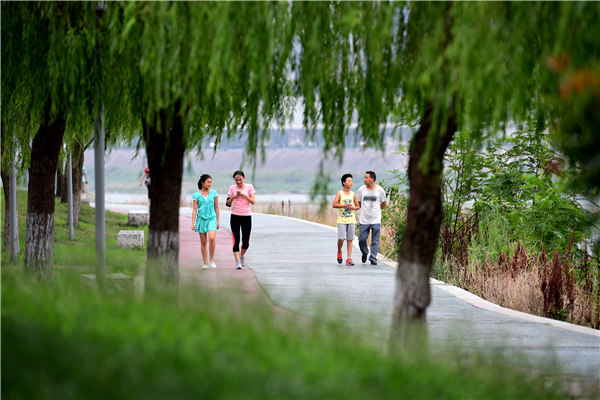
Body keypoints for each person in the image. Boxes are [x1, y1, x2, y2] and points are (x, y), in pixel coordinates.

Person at [225, 170, 255, 270]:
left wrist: (244, 195)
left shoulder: (249, 187)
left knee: (245, 241)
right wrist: (234, 196)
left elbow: (253, 201)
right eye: (236, 180)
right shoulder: (232, 188)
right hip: (235, 216)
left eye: (240, 180)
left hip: (246, 216)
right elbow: (228, 204)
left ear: (244, 178)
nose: (238, 182)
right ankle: (237, 262)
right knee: (236, 240)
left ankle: (242, 256)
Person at [357, 171, 387, 265]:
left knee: (375, 240)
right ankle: (365, 252)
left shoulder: (380, 190)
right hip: (364, 219)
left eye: (366, 178)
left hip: (376, 219)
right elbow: (359, 203)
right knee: (361, 239)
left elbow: (384, 203)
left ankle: (373, 257)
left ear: (372, 179)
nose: (364, 179)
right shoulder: (361, 190)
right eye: (364, 177)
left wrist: (376, 211)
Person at [191, 174, 220, 269]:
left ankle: (212, 260)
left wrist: (218, 221)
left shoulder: (214, 193)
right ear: (202, 182)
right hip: (201, 219)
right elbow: (194, 210)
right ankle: (205, 262)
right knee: (203, 242)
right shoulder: (196, 195)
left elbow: (216, 207)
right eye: (208, 182)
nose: (210, 184)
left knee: (212, 238)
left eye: (211, 182)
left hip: (212, 218)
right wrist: (193, 223)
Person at [332, 173, 360, 266]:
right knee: (341, 239)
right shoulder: (339, 193)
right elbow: (334, 204)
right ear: (344, 182)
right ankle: (339, 251)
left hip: (351, 220)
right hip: (342, 220)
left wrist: (353, 208)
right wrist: (344, 206)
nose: (351, 183)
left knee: (350, 239)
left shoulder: (353, 194)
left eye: (352, 181)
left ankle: (349, 258)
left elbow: (358, 206)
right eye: (349, 181)